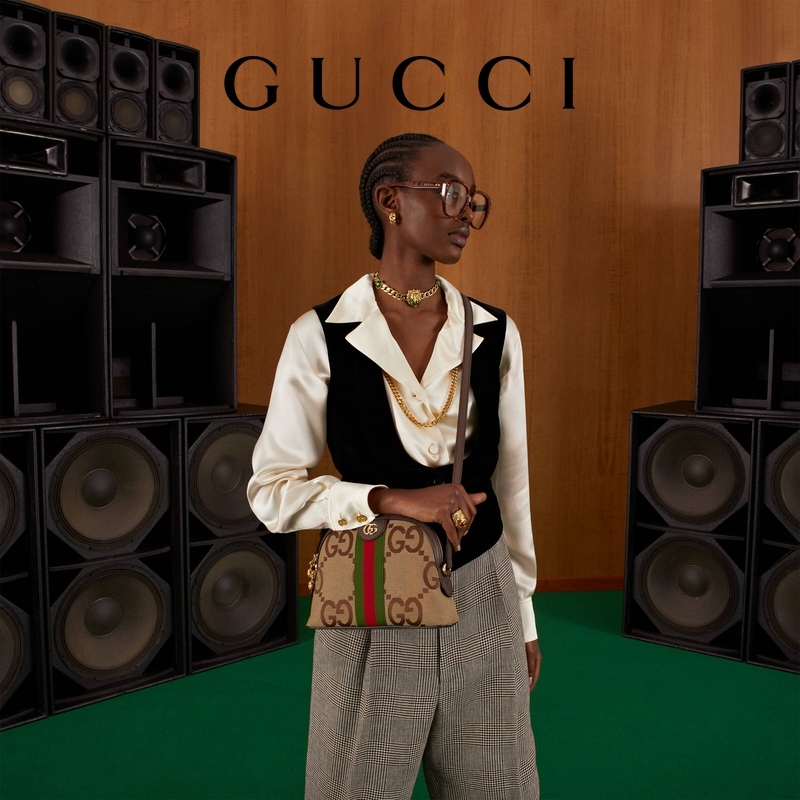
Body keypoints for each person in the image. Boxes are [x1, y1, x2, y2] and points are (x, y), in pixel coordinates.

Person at [246, 132, 541, 800]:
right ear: (390, 201)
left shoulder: (496, 331)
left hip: (485, 589)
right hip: (373, 596)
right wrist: (388, 499)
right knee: (358, 786)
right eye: (452, 193)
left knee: (497, 787)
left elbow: (513, 483)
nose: (467, 215)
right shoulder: (318, 334)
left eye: (474, 201)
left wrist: (522, 616)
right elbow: (271, 492)